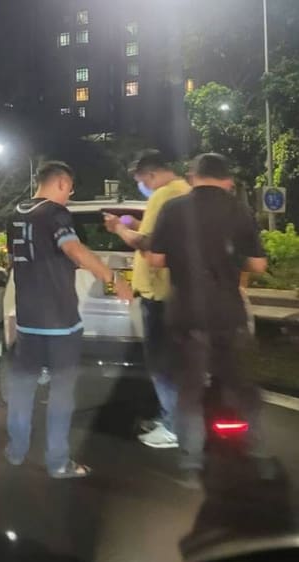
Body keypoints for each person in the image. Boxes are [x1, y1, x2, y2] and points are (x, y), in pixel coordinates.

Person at [6, 161, 132, 478]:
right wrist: (112, 278)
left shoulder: (16, 214)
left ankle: (16, 451)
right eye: (70, 190)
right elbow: (73, 250)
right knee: (62, 391)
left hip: (27, 321)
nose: (69, 197)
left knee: (22, 387)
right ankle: (58, 461)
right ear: (62, 183)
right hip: (60, 322)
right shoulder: (55, 214)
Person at [148, 153, 269, 478]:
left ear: (193, 177)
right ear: (225, 178)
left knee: (190, 388)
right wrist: (232, 260)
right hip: (228, 313)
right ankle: (253, 448)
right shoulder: (238, 209)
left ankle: (191, 462)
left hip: (186, 314)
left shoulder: (173, 209)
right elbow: (258, 264)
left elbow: (156, 260)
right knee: (241, 384)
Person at [103, 150, 191, 449]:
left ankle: (173, 427)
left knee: (162, 365)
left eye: (141, 180)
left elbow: (147, 244)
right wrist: (133, 221)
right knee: (174, 362)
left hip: (158, 294)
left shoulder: (162, 196)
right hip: (177, 293)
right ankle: (171, 417)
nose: (142, 185)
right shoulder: (185, 192)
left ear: (150, 175)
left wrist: (119, 228)